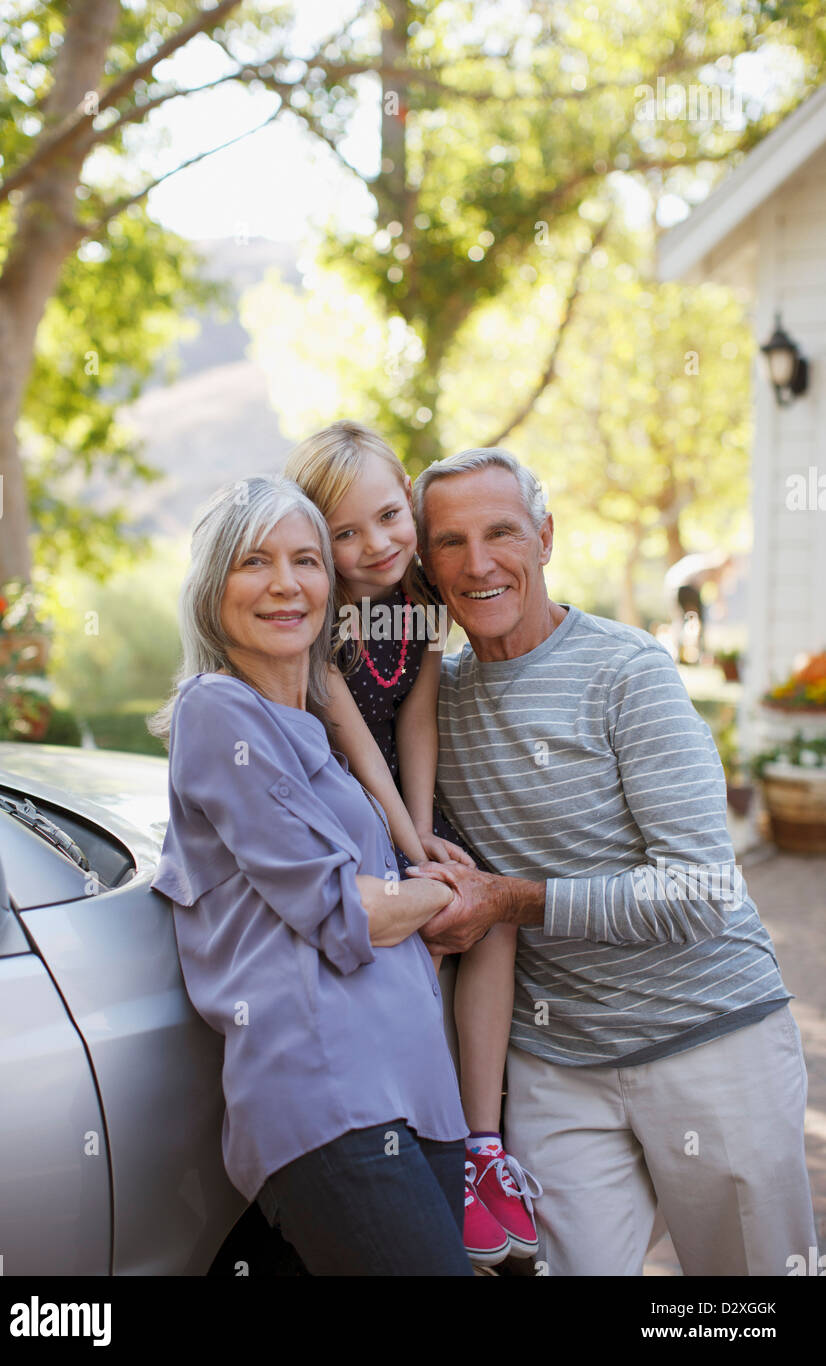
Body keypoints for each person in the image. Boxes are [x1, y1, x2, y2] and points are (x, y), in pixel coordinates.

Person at [407, 447, 819, 1277]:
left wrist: (511, 899)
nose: (477, 563)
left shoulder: (628, 673)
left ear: (546, 538)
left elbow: (699, 891)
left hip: (710, 1037)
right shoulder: (433, 703)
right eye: (449, 543)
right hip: (560, 1065)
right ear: (425, 566)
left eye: (501, 533)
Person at [148, 475, 473, 1276]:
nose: (286, 584)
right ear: (210, 590)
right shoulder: (217, 712)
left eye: (306, 561)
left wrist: (415, 874)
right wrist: (442, 892)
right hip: (330, 1098)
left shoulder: (313, 733)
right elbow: (340, 907)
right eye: (255, 562)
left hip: (420, 1093)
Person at [284, 422, 542, 1267]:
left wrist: (429, 834)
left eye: (390, 517)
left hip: (406, 800)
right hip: (353, 808)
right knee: (418, 946)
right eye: (345, 533)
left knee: (486, 908)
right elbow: (356, 740)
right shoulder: (318, 614)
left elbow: (417, 715)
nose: (376, 545)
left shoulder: (421, 599)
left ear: (407, 494)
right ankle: (422, 1140)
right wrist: (401, 843)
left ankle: (482, 1144)